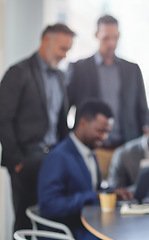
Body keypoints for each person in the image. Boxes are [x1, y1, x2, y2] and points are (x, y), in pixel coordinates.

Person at [0, 23, 75, 233]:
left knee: (53, 220)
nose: (64, 55)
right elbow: (3, 118)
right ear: (45, 42)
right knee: (25, 221)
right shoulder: (18, 72)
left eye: (68, 49)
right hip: (26, 161)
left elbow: (61, 122)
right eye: (62, 48)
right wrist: (16, 162)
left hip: (53, 159)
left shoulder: (60, 77)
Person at [67, 15, 149, 179]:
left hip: (125, 149)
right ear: (96, 35)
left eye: (115, 38)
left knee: (126, 198)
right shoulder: (79, 68)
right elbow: (64, 108)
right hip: (92, 150)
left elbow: (142, 109)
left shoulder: (132, 70)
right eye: (106, 38)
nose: (111, 43)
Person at [37, 100, 113, 240]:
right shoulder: (59, 157)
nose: (103, 137)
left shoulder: (90, 151)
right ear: (83, 123)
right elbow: (49, 206)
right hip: (68, 232)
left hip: (88, 225)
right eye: (100, 131)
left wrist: (108, 192)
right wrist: (92, 196)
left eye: (106, 132)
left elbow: (89, 187)